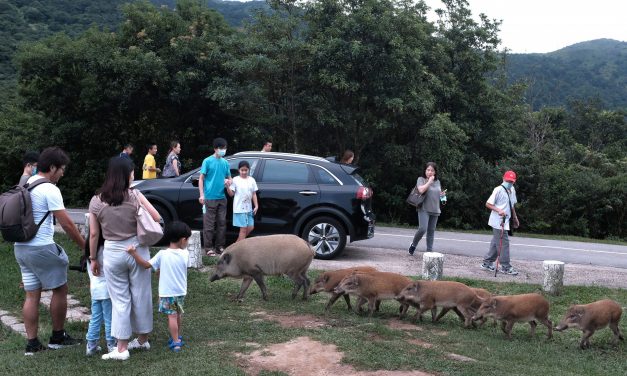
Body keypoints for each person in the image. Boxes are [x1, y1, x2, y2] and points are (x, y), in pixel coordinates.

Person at [14, 147, 86, 355]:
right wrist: (85, 247)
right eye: (62, 169)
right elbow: (68, 225)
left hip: (21, 248)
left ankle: (32, 344)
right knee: (60, 290)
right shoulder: (50, 189)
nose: (63, 173)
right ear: (52, 167)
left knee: (31, 295)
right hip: (42, 247)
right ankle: (57, 337)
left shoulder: (26, 183)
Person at [89, 157, 161, 361]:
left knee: (120, 299)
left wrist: (93, 258)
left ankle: (121, 347)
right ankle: (142, 339)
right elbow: (155, 217)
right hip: (138, 249)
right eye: (132, 172)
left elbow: (94, 235)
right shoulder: (135, 195)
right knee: (141, 293)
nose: (134, 176)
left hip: (112, 252)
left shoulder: (96, 200)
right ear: (126, 175)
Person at [127, 221, 191, 352]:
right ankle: (177, 337)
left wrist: (134, 253)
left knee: (171, 316)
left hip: (168, 293)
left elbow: (146, 265)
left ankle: (176, 342)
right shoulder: (186, 254)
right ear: (183, 240)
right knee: (178, 315)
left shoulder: (163, 254)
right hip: (180, 291)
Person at [480, 170, 520, 276]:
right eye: (507, 181)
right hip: (498, 221)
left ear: (514, 181)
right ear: (503, 178)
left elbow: (512, 205)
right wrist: (499, 210)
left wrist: (515, 218)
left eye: (511, 181)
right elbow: (488, 204)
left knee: (496, 242)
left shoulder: (512, 190)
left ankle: (487, 263)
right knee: (504, 243)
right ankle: (506, 267)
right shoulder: (498, 190)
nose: (509, 183)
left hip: (506, 221)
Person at [198, 137, 232, 256]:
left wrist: (229, 182)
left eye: (225, 148)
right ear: (215, 149)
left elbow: (230, 178)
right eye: (221, 148)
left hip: (222, 198)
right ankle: (208, 248)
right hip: (209, 197)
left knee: (222, 223)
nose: (223, 150)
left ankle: (219, 246)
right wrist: (201, 195)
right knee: (209, 225)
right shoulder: (207, 161)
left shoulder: (225, 162)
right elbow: (201, 179)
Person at [85, 236, 116, 356]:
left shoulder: (90, 253)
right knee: (109, 319)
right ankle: (111, 345)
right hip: (107, 290)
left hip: (95, 290)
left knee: (95, 318)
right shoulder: (105, 249)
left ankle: (91, 345)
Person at [408, 162, 446, 255]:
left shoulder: (438, 182)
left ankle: (429, 251)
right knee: (422, 229)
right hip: (424, 208)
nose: (430, 172)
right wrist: (429, 181)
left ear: (435, 172)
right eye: (428, 170)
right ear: (425, 171)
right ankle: (413, 244)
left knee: (431, 231)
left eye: (432, 170)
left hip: (435, 209)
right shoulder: (421, 179)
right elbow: (421, 190)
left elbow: (439, 196)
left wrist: (443, 196)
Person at [226, 161, 259, 242]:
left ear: (249, 170)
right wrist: (227, 187)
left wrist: (256, 206)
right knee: (243, 229)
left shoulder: (252, 180)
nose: (244, 172)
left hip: (249, 209)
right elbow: (231, 194)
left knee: (250, 227)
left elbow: (254, 194)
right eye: (242, 170)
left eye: (246, 170)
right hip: (239, 209)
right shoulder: (235, 180)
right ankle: (238, 247)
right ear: (239, 170)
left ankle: (236, 244)